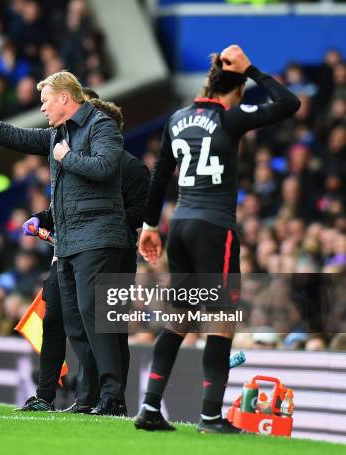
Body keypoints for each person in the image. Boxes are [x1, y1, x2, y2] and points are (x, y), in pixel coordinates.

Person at [0, 71, 134, 415]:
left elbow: (104, 166)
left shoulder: (101, 125)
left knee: (94, 315)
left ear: (64, 99)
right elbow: (17, 136)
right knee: (76, 321)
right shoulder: (60, 132)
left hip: (99, 236)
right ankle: (90, 397)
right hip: (70, 242)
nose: (41, 109)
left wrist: (64, 158)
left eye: (44, 102)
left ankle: (112, 397)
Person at [134, 45, 300, 433]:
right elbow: (288, 103)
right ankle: (210, 416)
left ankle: (149, 408)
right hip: (214, 229)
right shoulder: (230, 118)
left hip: (181, 226)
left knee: (178, 320)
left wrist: (149, 225)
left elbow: (159, 173)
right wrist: (253, 70)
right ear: (237, 88)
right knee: (221, 322)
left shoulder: (176, 119)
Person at [16, 89, 149, 413]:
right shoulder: (72, 158)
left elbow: (141, 212)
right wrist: (41, 218)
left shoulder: (130, 168)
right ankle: (49, 394)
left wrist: (98, 222)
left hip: (112, 253)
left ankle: (103, 398)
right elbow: (64, 206)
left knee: (107, 327)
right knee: (59, 321)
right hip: (69, 253)